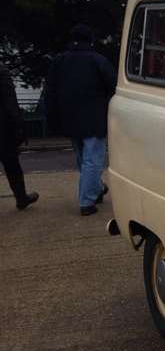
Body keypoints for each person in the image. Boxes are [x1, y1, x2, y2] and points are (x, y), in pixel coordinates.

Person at [45, 25, 116, 216]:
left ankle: (97, 188)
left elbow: (50, 91)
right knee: (93, 160)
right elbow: (113, 86)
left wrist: (53, 117)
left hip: (69, 118)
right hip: (94, 117)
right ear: (90, 40)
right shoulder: (97, 60)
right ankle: (86, 201)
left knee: (82, 157)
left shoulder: (59, 61)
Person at [0, 63, 39, 210]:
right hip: (3, 128)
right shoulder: (1, 71)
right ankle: (21, 197)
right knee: (12, 165)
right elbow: (10, 101)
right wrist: (19, 126)